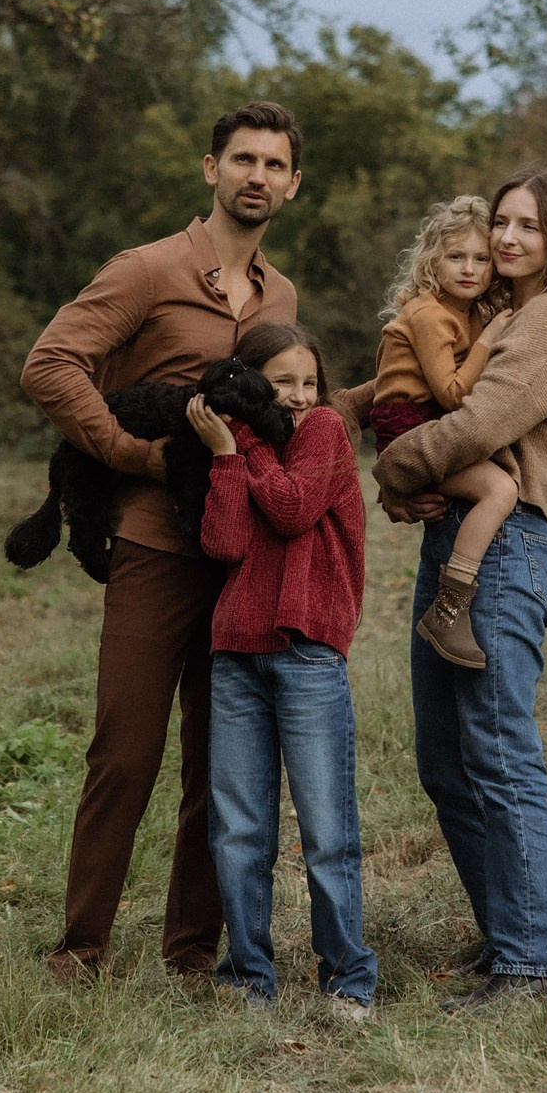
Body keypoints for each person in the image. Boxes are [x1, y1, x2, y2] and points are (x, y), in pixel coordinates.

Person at [18, 101, 303, 983]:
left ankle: (192, 954)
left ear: (293, 185)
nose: (257, 176)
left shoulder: (282, 297)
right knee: (126, 749)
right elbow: (50, 364)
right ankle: (81, 948)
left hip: (242, 560)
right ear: (211, 169)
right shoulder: (146, 269)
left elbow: (289, 407)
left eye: (274, 165)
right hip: (153, 548)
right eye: (243, 159)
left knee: (223, 765)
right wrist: (129, 454)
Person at [372, 168, 547, 1012]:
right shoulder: (497, 313)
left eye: (527, 227)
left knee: (499, 750)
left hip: (506, 548)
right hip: (458, 538)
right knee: (446, 760)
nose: (507, 238)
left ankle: (531, 962)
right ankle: (509, 933)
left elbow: (479, 424)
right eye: (502, 221)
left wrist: (394, 467)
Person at [187, 321, 376, 1019]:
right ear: (251, 386)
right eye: (281, 383)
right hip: (237, 654)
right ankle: (247, 977)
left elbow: (294, 510)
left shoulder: (325, 431)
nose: (298, 396)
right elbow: (224, 542)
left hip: (307, 652)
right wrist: (225, 456)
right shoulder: (238, 446)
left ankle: (348, 978)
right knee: (238, 831)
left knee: (326, 830)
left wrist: (246, 447)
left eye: (309, 382)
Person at [369, 196, 515, 670]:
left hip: (429, 421)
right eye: (456, 256)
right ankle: (450, 607)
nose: (469, 269)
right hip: (410, 424)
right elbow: (452, 393)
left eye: (481, 259)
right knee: (500, 489)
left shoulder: (469, 310)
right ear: (432, 260)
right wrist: (490, 340)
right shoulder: (430, 314)